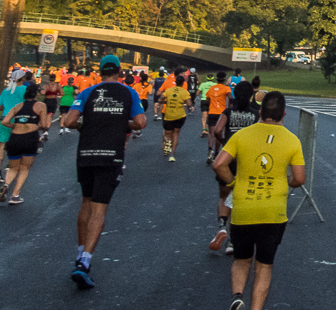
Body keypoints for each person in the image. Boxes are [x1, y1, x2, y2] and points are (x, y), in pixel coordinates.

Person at [213, 91, 304, 310]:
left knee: (241, 260)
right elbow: (299, 178)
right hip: (273, 212)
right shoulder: (292, 140)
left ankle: (236, 298)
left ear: (260, 112)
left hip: (244, 207)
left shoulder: (242, 135)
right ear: (284, 113)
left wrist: (233, 182)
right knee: (264, 267)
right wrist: (285, 183)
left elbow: (218, 164)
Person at [63, 54, 147, 289]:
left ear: (100, 72)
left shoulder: (88, 92)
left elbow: (69, 122)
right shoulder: (128, 92)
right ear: (120, 72)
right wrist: (122, 123)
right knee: (99, 209)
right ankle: (85, 262)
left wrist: (86, 123)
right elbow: (141, 122)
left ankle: (80, 254)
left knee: (85, 203)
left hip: (86, 154)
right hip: (111, 156)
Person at [209, 81, 260, 253]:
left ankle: (222, 225)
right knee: (241, 199)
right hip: (247, 159)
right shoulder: (255, 115)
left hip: (229, 158)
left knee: (224, 195)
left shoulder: (228, 112)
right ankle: (233, 240)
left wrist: (225, 142)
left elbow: (217, 130)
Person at [1, 83, 50, 203]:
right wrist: (36, 127)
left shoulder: (17, 106)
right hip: (30, 138)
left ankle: (6, 185)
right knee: (24, 168)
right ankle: (15, 196)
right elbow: (44, 125)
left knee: (13, 168)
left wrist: (15, 126)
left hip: (15, 138)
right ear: (37, 93)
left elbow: (5, 121)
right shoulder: (41, 105)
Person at [159, 73, 193, 162]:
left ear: (175, 82)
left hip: (169, 115)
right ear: (183, 83)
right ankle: (172, 154)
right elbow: (189, 104)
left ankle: (167, 148)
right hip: (180, 115)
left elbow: (160, 99)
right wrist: (185, 105)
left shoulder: (169, 90)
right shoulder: (185, 92)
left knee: (168, 134)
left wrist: (166, 102)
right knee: (176, 134)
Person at [205, 72, 231, 164]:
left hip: (212, 112)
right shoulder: (226, 88)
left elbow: (207, 99)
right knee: (219, 133)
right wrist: (229, 106)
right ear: (224, 79)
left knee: (211, 133)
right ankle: (216, 153)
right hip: (221, 114)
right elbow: (230, 97)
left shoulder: (211, 88)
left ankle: (210, 151)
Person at [198, 73, 217, 137]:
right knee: (211, 116)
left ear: (207, 78)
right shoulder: (215, 85)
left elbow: (198, 93)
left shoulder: (203, 84)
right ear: (213, 78)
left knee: (204, 116)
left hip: (204, 100)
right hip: (212, 101)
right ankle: (211, 130)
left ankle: (204, 130)